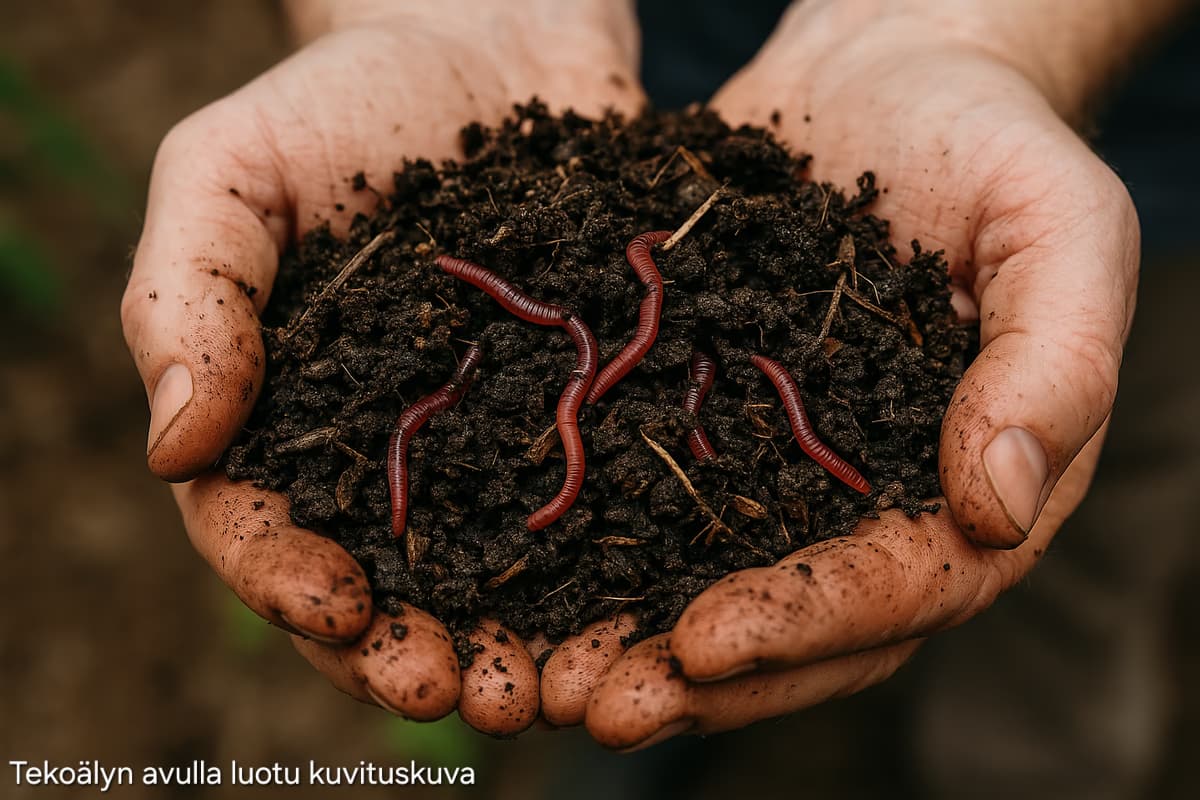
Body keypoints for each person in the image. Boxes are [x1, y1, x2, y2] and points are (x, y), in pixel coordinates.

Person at [119, 0, 1192, 782]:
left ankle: (1020, 765)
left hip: (1129, 147)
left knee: (1065, 553)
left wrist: (988, 32)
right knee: (654, 676)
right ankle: (645, 754)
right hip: (580, 47)